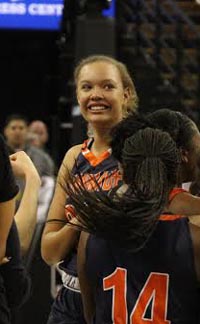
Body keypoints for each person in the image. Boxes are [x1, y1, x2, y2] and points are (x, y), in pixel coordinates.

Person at [66, 126, 200, 323]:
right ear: (176, 174)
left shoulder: (91, 234)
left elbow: (90, 315)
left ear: (121, 171)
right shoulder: (194, 239)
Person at [41, 54, 138, 323]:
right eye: (87, 87)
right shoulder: (74, 157)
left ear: (126, 94)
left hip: (122, 299)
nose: (96, 94)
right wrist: (81, 220)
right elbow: (49, 251)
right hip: (68, 300)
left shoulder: (141, 152)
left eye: (107, 86)